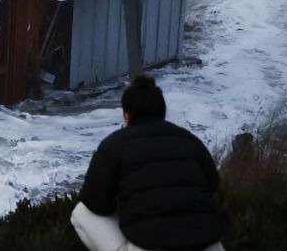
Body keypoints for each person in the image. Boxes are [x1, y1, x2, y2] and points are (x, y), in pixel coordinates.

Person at [71, 75, 224, 251]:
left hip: (150, 245)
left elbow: (96, 203)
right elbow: (212, 184)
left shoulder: (115, 145)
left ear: (126, 116)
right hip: (209, 245)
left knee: (82, 212)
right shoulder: (190, 140)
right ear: (162, 112)